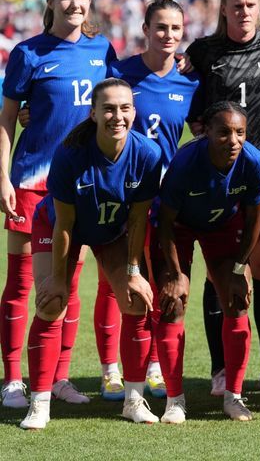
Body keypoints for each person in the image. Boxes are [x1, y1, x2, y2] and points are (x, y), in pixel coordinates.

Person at [0, 0, 116, 408]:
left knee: (67, 282)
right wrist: (3, 177)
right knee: (23, 282)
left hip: (81, 186)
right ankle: (13, 379)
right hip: (31, 182)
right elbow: (7, 120)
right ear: (50, 1)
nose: (75, 4)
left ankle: (59, 378)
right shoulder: (26, 53)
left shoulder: (102, 50)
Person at [20, 78, 162, 429]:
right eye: (109, 109)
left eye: (125, 108)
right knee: (52, 302)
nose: (118, 116)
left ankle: (133, 399)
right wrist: (57, 278)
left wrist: (133, 270)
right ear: (94, 113)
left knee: (135, 299)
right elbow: (64, 224)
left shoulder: (148, 153)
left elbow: (138, 217)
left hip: (112, 233)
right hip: (59, 228)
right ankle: (39, 403)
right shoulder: (70, 153)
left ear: (134, 111)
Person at [186, 0, 260, 395]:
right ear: (223, 9)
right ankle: (220, 370)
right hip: (216, 173)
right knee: (220, 272)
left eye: (250, 4)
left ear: (259, 8)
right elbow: (189, 103)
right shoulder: (203, 50)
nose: (244, 11)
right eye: (236, 5)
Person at [94, 0, 200, 401]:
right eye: (161, 27)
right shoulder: (121, 73)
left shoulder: (190, 79)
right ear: (146, 31)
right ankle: (110, 369)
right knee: (112, 282)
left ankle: (154, 365)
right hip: (118, 192)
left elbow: (202, 130)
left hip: (163, 198)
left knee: (156, 281)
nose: (168, 35)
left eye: (175, 28)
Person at [155, 101, 260, 423]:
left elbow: (253, 222)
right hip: (177, 229)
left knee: (237, 300)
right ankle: (175, 400)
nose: (233, 140)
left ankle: (233, 396)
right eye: (224, 132)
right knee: (172, 302)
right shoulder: (186, 163)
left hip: (223, 227)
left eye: (240, 132)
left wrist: (238, 269)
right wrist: (176, 273)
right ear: (206, 132)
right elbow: (163, 223)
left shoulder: (255, 163)